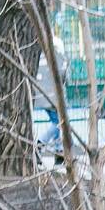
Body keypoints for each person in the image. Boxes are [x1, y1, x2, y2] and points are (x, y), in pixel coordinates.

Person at [34, 35, 67, 164]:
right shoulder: (56, 56)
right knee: (60, 123)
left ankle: (59, 152)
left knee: (58, 122)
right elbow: (63, 75)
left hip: (41, 95)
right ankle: (40, 144)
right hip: (53, 96)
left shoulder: (39, 54)